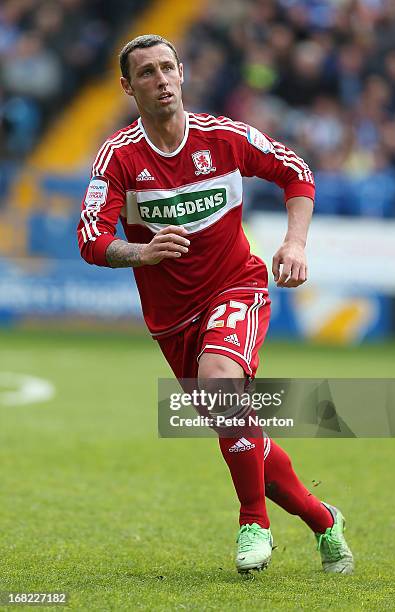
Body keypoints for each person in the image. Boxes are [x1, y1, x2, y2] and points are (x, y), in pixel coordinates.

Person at [77, 34, 354, 575]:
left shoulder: (223, 137)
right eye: (147, 73)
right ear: (127, 87)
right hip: (172, 319)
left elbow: (296, 172)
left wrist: (295, 243)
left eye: (167, 68)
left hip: (236, 287)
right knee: (238, 430)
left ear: (182, 74)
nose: (160, 81)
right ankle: (325, 520)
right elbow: (91, 237)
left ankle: (253, 522)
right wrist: (143, 251)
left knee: (222, 384)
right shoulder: (119, 158)